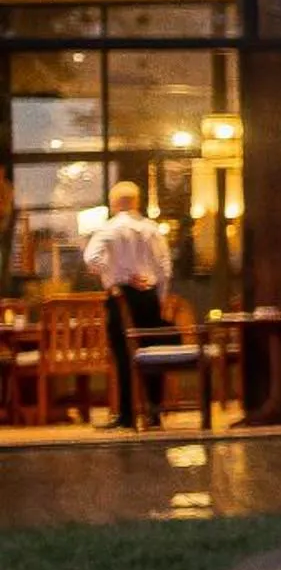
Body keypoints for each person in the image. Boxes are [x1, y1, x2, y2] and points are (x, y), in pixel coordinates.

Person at [82, 183, 172, 430]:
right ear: (138, 201)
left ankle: (127, 414)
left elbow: (91, 259)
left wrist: (120, 275)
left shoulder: (108, 228)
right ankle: (154, 412)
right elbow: (165, 268)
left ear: (113, 204)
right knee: (152, 353)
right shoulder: (151, 229)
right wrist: (159, 298)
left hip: (121, 296)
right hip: (149, 296)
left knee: (123, 356)